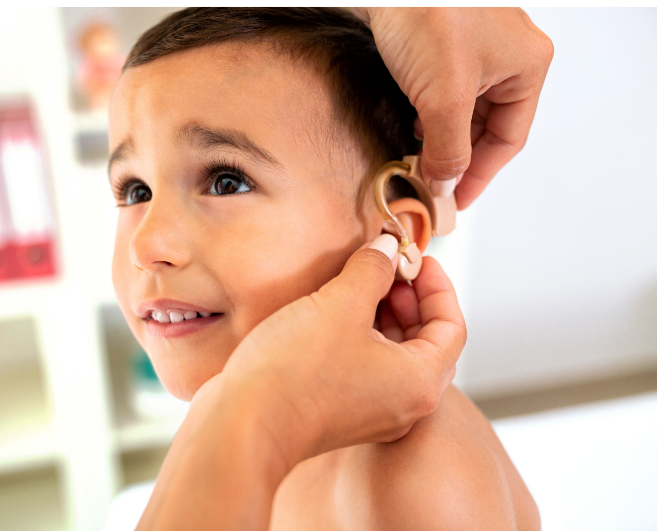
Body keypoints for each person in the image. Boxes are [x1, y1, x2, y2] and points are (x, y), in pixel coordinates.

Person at [108, 7, 552, 530]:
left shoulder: (414, 481)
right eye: (135, 190)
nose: (146, 244)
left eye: (226, 181)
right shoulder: (230, 413)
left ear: (395, 231)